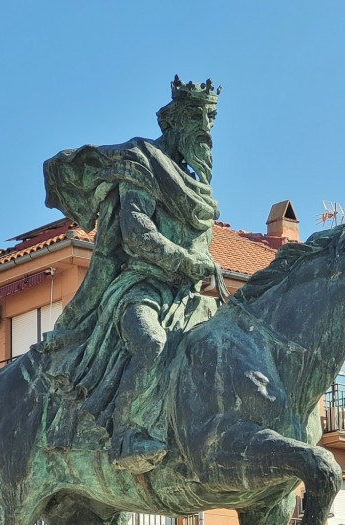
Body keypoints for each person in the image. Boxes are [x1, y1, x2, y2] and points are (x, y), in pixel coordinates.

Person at [41, 76, 227, 473]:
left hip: (190, 298)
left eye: (211, 116)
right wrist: (185, 261)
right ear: (172, 122)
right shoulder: (141, 162)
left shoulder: (200, 189)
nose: (206, 128)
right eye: (196, 116)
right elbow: (137, 232)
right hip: (139, 288)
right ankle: (129, 433)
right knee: (152, 345)